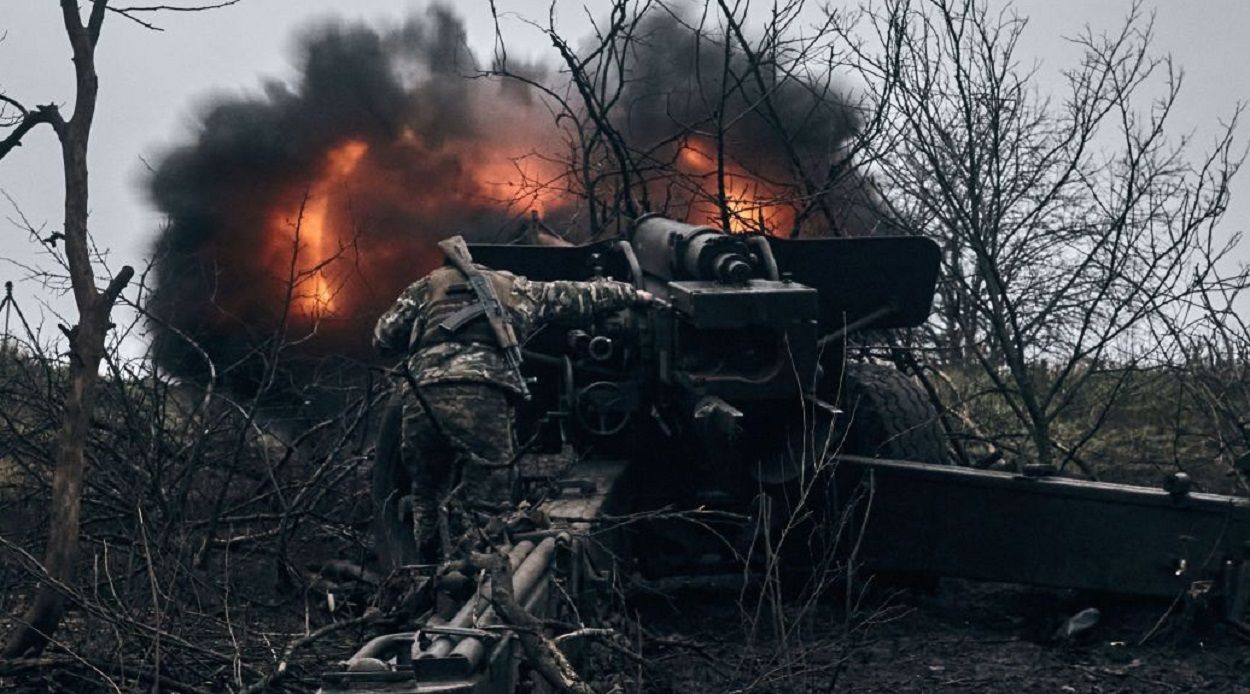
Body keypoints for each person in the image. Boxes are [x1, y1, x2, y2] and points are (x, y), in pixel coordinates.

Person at [372, 236, 653, 562]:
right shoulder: (510, 285)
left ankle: (423, 569)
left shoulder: (425, 287)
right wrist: (632, 293)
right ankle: (480, 577)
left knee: (425, 494)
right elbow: (573, 296)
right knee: (490, 506)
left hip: (422, 398)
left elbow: (384, 337)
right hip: (483, 397)